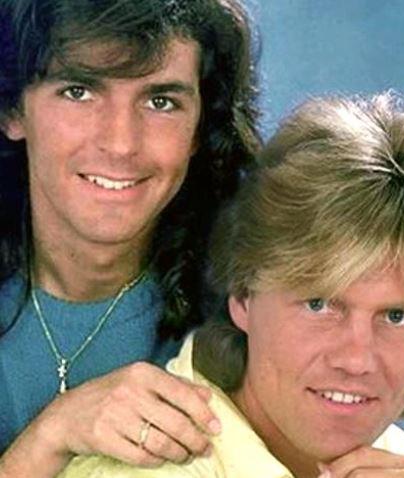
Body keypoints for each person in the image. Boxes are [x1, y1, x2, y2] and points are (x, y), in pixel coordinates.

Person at [60, 92, 404, 477]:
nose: (356, 360)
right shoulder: (139, 470)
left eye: (397, 316)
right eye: (319, 305)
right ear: (243, 296)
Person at [0, 0, 260, 476]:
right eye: (79, 91)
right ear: (12, 110)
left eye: (160, 102)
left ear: (200, 128)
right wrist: (51, 436)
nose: (121, 143)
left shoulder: (251, 312)